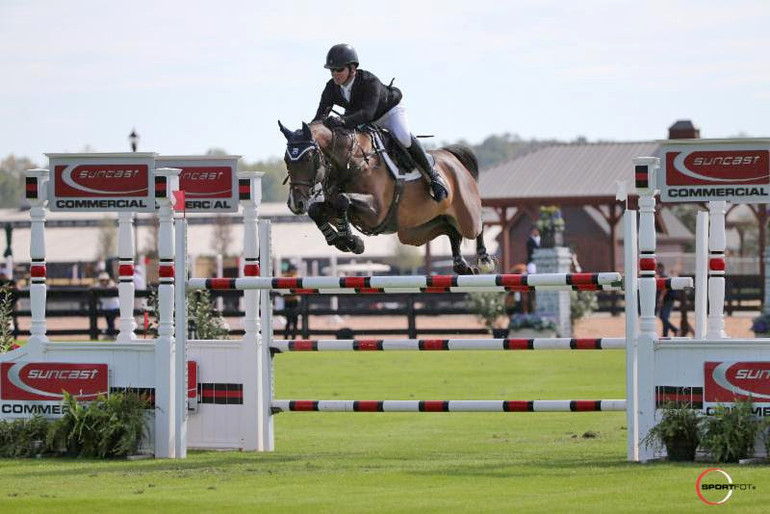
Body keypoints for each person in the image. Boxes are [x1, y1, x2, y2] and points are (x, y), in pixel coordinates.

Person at [312, 43, 448, 202]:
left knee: (403, 136)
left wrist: (342, 120)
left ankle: (433, 176)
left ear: (352, 69)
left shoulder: (369, 81)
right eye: (332, 70)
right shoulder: (331, 88)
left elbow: (367, 113)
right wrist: (311, 132)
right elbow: (319, 117)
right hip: (360, 117)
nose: (335, 74)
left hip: (388, 112)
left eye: (339, 69)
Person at [93, 271, 120, 339]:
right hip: (106, 307)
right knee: (108, 321)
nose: (103, 282)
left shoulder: (112, 285)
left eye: (105, 280)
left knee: (110, 321)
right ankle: (111, 334)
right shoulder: (98, 286)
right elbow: (92, 288)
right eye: (102, 280)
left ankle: (112, 334)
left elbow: (117, 287)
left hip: (114, 307)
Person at [656, 263, 678, 337]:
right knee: (664, 316)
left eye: (657, 269)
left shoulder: (663, 277)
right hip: (668, 299)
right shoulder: (664, 276)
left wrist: (660, 300)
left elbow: (664, 290)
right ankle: (666, 334)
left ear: (660, 269)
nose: (656, 270)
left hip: (668, 299)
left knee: (663, 316)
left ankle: (674, 330)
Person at [282, 264, 300, 340]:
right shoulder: (285, 277)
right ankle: (286, 338)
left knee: (295, 321)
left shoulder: (295, 277)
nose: (295, 271)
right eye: (294, 270)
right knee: (289, 321)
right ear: (291, 270)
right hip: (288, 301)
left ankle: (293, 338)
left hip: (294, 301)